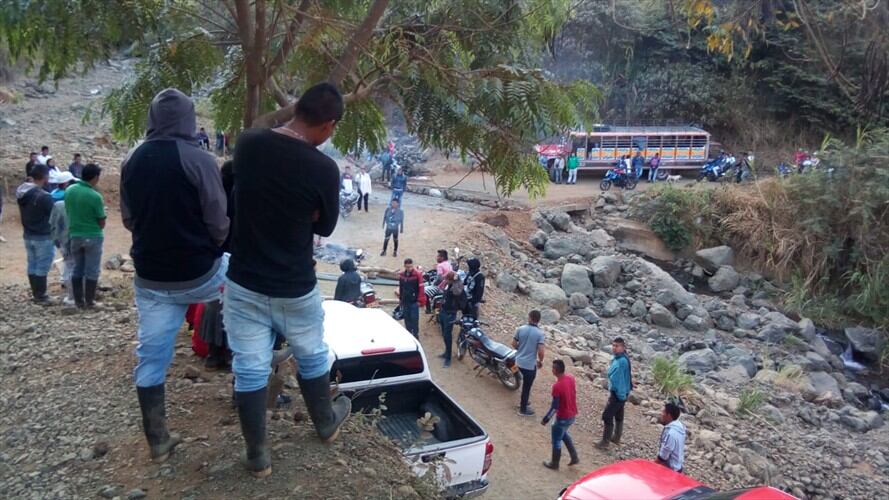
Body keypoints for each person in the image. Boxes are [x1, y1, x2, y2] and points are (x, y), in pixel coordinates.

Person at [225, 82, 349, 478]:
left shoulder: (249, 144)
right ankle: (325, 423)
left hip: (244, 281)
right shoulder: (323, 168)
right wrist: (307, 211)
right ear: (328, 125)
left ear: (297, 109)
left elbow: (233, 181)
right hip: (295, 284)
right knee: (311, 353)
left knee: (249, 366)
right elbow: (326, 226)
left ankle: (258, 456)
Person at [120, 88, 230, 465]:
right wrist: (213, 246)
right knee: (244, 275)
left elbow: (128, 219)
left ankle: (158, 440)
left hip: (150, 278)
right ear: (187, 119)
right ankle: (256, 351)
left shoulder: (131, 159)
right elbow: (218, 222)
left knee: (150, 358)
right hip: (201, 274)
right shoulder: (199, 159)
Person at [65, 164, 106, 308]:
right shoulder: (95, 196)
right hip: (93, 235)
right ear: (95, 177)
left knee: (77, 268)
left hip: (75, 234)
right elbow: (101, 220)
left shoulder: (69, 190)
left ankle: (78, 301)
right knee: (92, 269)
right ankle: (90, 301)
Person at [16, 164, 56, 303]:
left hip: (28, 234)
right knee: (42, 266)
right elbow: (53, 216)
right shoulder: (44, 196)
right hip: (43, 235)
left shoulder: (22, 192)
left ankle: (36, 293)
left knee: (32, 264)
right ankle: (41, 295)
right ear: (45, 177)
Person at [541, 359, 579, 470]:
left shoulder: (557, 386)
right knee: (563, 434)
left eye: (552, 368)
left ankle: (555, 463)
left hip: (563, 417)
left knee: (556, 440)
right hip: (572, 414)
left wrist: (546, 419)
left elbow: (555, 407)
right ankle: (574, 456)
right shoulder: (571, 378)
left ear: (555, 370)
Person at [597, 337, 632, 449]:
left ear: (623, 347)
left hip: (618, 393)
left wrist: (619, 395)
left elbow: (619, 379)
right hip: (624, 392)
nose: (614, 348)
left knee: (607, 416)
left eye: (617, 346)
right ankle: (616, 437)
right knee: (619, 414)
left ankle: (605, 442)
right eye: (613, 345)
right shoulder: (623, 358)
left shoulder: (621, 362)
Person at [48, 171, 77, 305]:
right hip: (77, 236)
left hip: (63, 238)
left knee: (68, 265)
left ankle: (71, 294)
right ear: (66, 184)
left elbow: (53, 224)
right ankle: (76, 295)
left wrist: (56, 241)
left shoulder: (52, 196)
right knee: (76, 266)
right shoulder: (70, 197)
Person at [513, 310, 545, 416]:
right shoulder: (540, 334)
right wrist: (540, 361)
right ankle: (523, 409)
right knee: (527, 386)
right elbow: (541, 351)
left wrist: (521, 349)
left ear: (530, 317)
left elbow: (513, 343)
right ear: (538, 320)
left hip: (517, 362)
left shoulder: (520, 329)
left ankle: (523, 401)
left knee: (519, 380)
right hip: (529, 365)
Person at [438, 271, 466, 368]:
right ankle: (446, 352)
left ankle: (448, 358)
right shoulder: (448, 285)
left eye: (447, 279)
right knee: (444, 334)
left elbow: (458, 296)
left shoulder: (456, 288)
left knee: (448, 335)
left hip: (450, 314)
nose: (445, 281)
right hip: (443, 311)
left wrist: (455, 282)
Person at [395, 258, 426, 339]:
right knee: (407, 320)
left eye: (411, 267)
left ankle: (416, 337)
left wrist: (420, 301)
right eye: (407, 267)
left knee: (414, 320)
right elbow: (401, 288)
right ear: (404, 266)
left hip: (414, 303)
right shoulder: (402, 275)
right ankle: (409, 337)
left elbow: (421, 288)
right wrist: (401, 299)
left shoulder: (417, 275)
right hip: (405, 302)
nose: (409, 268)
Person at [655, 402, 686, 473]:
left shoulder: (671, 433)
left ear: (669, 415)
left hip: (670, 469)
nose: (661, 414)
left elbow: (663, 456)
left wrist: (652, 465)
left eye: (663, 412)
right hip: (678, 467)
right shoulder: (680, 427)